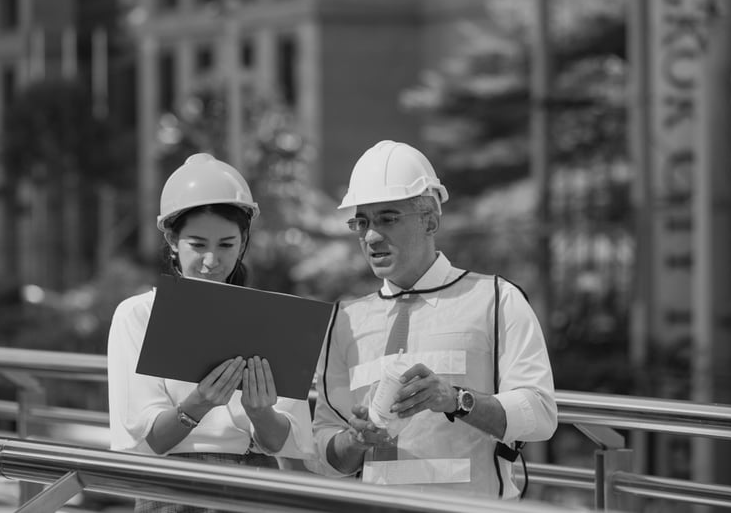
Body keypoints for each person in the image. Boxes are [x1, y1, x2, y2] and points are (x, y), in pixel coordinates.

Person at [310, 140, 557, 499]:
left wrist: (455, 400)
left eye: (388, 218)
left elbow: (541, 414)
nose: (372, 236)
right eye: (361, 222)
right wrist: (354, 440)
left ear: (430, 220)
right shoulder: (345, 320)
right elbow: (325, 457)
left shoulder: (497, 299)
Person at [107, 153, 315, 512]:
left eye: (226, 245)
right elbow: (143, 445)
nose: (211, 260)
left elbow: (286, 444)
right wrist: (197, 405)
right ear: (172, 240)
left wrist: (261, 413)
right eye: (197, 244)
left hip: (257, 488)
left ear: (244, 240)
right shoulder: (138, 316)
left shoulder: (272, 318)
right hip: (172, 492)